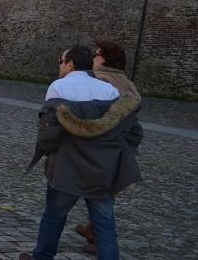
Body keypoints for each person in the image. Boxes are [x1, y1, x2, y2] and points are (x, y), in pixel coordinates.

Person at [20, 45, 142, 260]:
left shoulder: (59, 87)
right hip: (102, 171)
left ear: (70, 64)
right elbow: (132, 131)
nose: (59, 65)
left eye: (61, 61)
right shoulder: (110, 91)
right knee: (105, 225)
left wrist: (49, 151)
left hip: (68, 166)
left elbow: (49, 130)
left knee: (54, 217)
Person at [70, 40, 142, 256]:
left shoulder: (100, 81)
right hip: (119, 149)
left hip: (98, 148)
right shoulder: (128, 84)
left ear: (104, 60)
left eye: (96, 55)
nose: (93, 58)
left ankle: (97, 236)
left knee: (93, 200)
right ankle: (93, 231)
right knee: (103, 196)